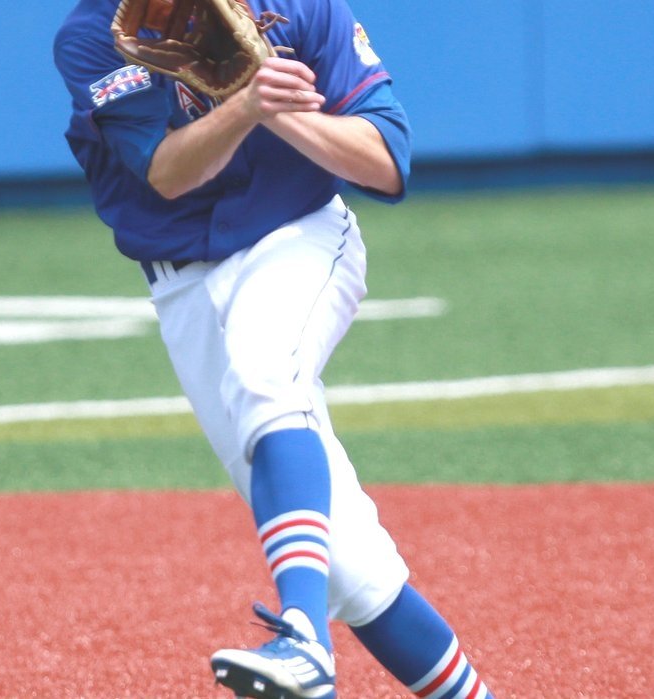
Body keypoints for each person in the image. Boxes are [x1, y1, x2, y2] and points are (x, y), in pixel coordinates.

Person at [54, 1, 496, 697]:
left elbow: (386, 161)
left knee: (264, 374)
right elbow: (166, 174)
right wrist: (243, 104)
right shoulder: (96, 34)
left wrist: (269, 97)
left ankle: (302, 636)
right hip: (184, 291)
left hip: (300, 239)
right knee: (350, 567)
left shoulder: (301, 7)